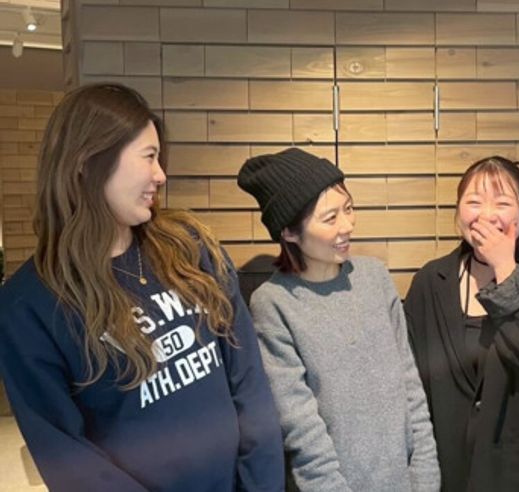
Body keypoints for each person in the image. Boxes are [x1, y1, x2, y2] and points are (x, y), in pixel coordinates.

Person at [0, 83, 284, 491]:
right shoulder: (28, 305)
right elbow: (66, 457)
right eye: (149, 157)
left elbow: (248, 380)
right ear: (87, 160)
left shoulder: (190, 247)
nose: (161, 175)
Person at [237, 148, 441, 492]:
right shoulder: (273, 304)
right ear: (289, 232)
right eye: (330, 218)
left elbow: (410, 386)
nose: (347, 225)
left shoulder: (374, 278)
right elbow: (301, 430)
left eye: (348, 208)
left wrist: (425, 479)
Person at [405, 156, 519, 491]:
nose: (486, 215)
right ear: (458, 211)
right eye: (474, 202)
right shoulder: (431, 282)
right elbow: (411, 382)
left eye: (502, 203)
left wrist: (505, 267)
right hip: (451, 473)